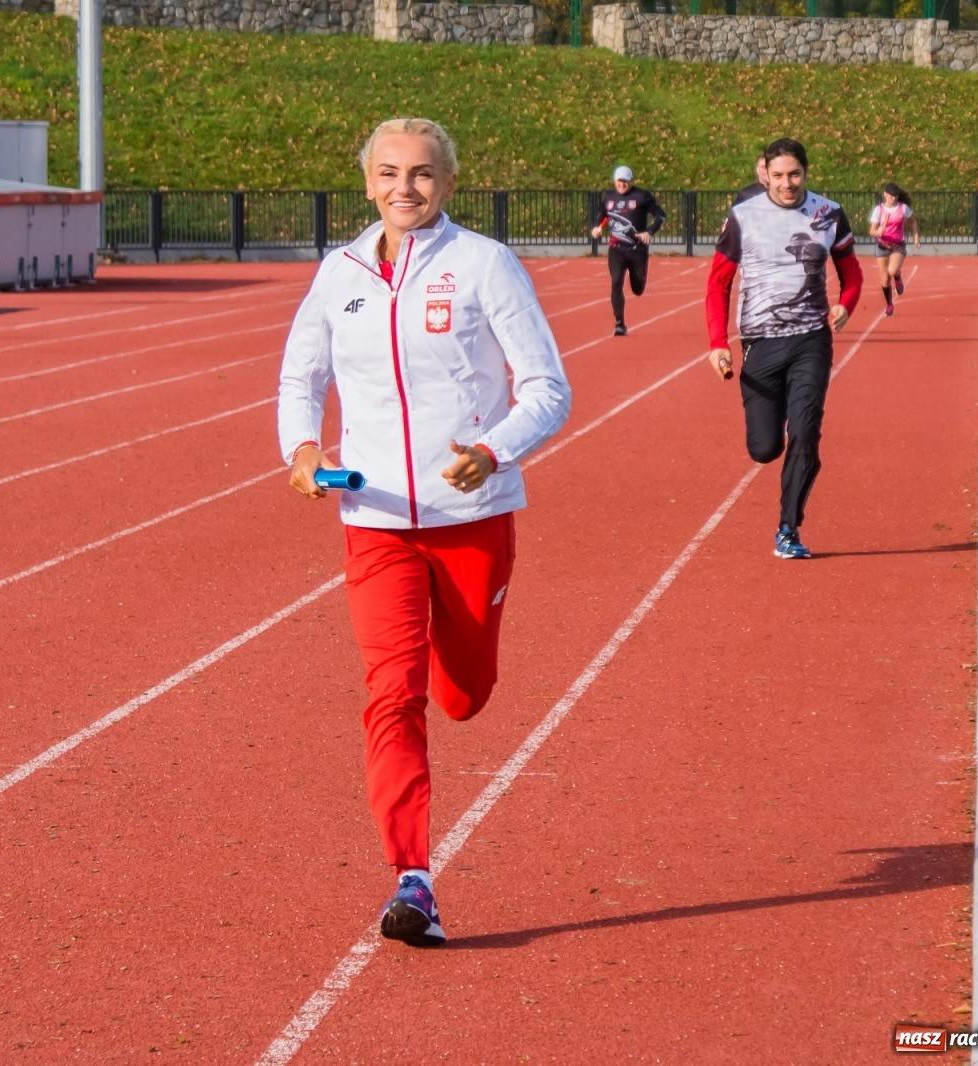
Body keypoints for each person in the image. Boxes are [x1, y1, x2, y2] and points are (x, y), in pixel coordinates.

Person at [278, 118, 570, 947]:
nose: (404, 188)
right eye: (388, 172)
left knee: (463, 695)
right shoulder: (338, 274)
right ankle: (412, 879)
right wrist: (302, 450)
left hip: (471, 518)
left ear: (449, 181)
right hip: (375, 521)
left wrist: (493, 450)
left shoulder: (484, 264)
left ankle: (458, 663)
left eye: (421, 173)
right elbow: (301, 377)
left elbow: (547, 388)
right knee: (392, 693)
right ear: (367, 181)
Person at [706, 138, 864, 560]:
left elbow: (851, 273)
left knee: (806, 431)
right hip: (761, 343)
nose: (787, 183)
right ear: (766, 175)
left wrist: (845, 305)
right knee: (764, 448)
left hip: (812, 339)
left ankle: (788, 528)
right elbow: (718, 284)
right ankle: (782, 456)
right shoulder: (743, 216)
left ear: (806, 172)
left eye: (794, 174)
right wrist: (718, 343)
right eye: (778, 175)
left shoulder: (828, 213)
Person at [590, 166, 666, 336]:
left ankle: (637, 277)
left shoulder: (642, 196)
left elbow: (660, 215)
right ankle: (619, 323)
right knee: (616, 280)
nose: (622, 184)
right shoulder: (609, 197)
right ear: (614, 181)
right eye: (619, 181)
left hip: (637, 249)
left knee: (638, 289)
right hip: (616, 249)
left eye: (625, 181)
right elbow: (602, 214)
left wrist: (649, 232)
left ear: (631, 181)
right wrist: (596, 227)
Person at [868, 183, 919, 316]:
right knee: (885, 280)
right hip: (882, 247)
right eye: (891, 196)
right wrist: (879, 230)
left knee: (892, 270)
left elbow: (913, 222)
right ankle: (889, 304)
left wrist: (916, 237)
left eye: (896, 196)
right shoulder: (878, 210)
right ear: (885, 194)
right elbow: (872, 231)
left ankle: (897, 276)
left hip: (898, 246)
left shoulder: (903, 208)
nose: (894, 198)